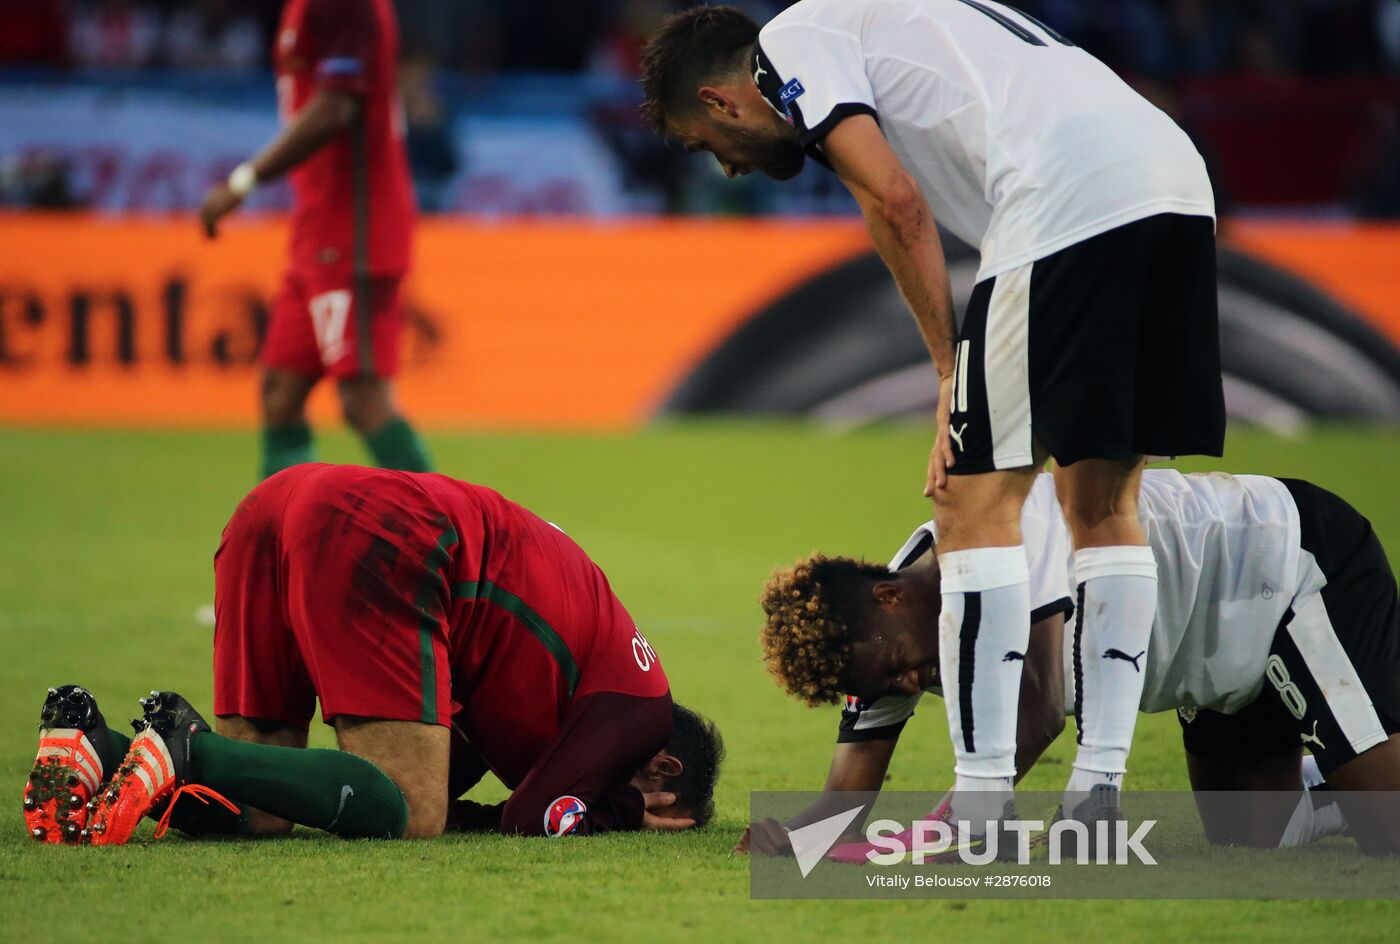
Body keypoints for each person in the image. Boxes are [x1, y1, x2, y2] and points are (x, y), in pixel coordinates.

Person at [641, 1, 1225, 831]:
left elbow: (896, 203)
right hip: (1173, 177)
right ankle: (1097, 794)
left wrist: (952, 370)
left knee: (969, 503)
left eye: (706, 145)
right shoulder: (875, 23)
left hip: (1064, 192)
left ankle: (980, 810)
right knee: (1100, 504)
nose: (728, 169)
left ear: (720, 100)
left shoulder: (788, 45)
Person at [23, 464, 723, 845]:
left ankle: (96, 745)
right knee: (409, 815)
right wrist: (623, 809)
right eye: (660, 806)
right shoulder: (640, 706)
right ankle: (186, 745)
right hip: (384, 528)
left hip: (276, 505)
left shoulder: (555, 693)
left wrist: (464, 807)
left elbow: (450, 775)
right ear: (663, 768)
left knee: (257, 812)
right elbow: (533, 818)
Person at [744, 469, 1400, 856]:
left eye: (898, 671)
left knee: (1389, 830)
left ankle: (1361, 762)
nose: (911, 685)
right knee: (1251, 836)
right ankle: (1338, 774)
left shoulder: (1004, 533)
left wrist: (937, 832)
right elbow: (845, 797)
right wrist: (794, 840)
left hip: (1281, 565)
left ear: (890, 595)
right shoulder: (879, 642)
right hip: (1206, 657)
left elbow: (1034, 715)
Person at [198, 0, 433, 480]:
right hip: (317, 226)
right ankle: (287, 526)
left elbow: (335, 106)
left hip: (358, 229)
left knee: (363, 398)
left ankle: (445, 525)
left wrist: (244, 180)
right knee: (280, 392)